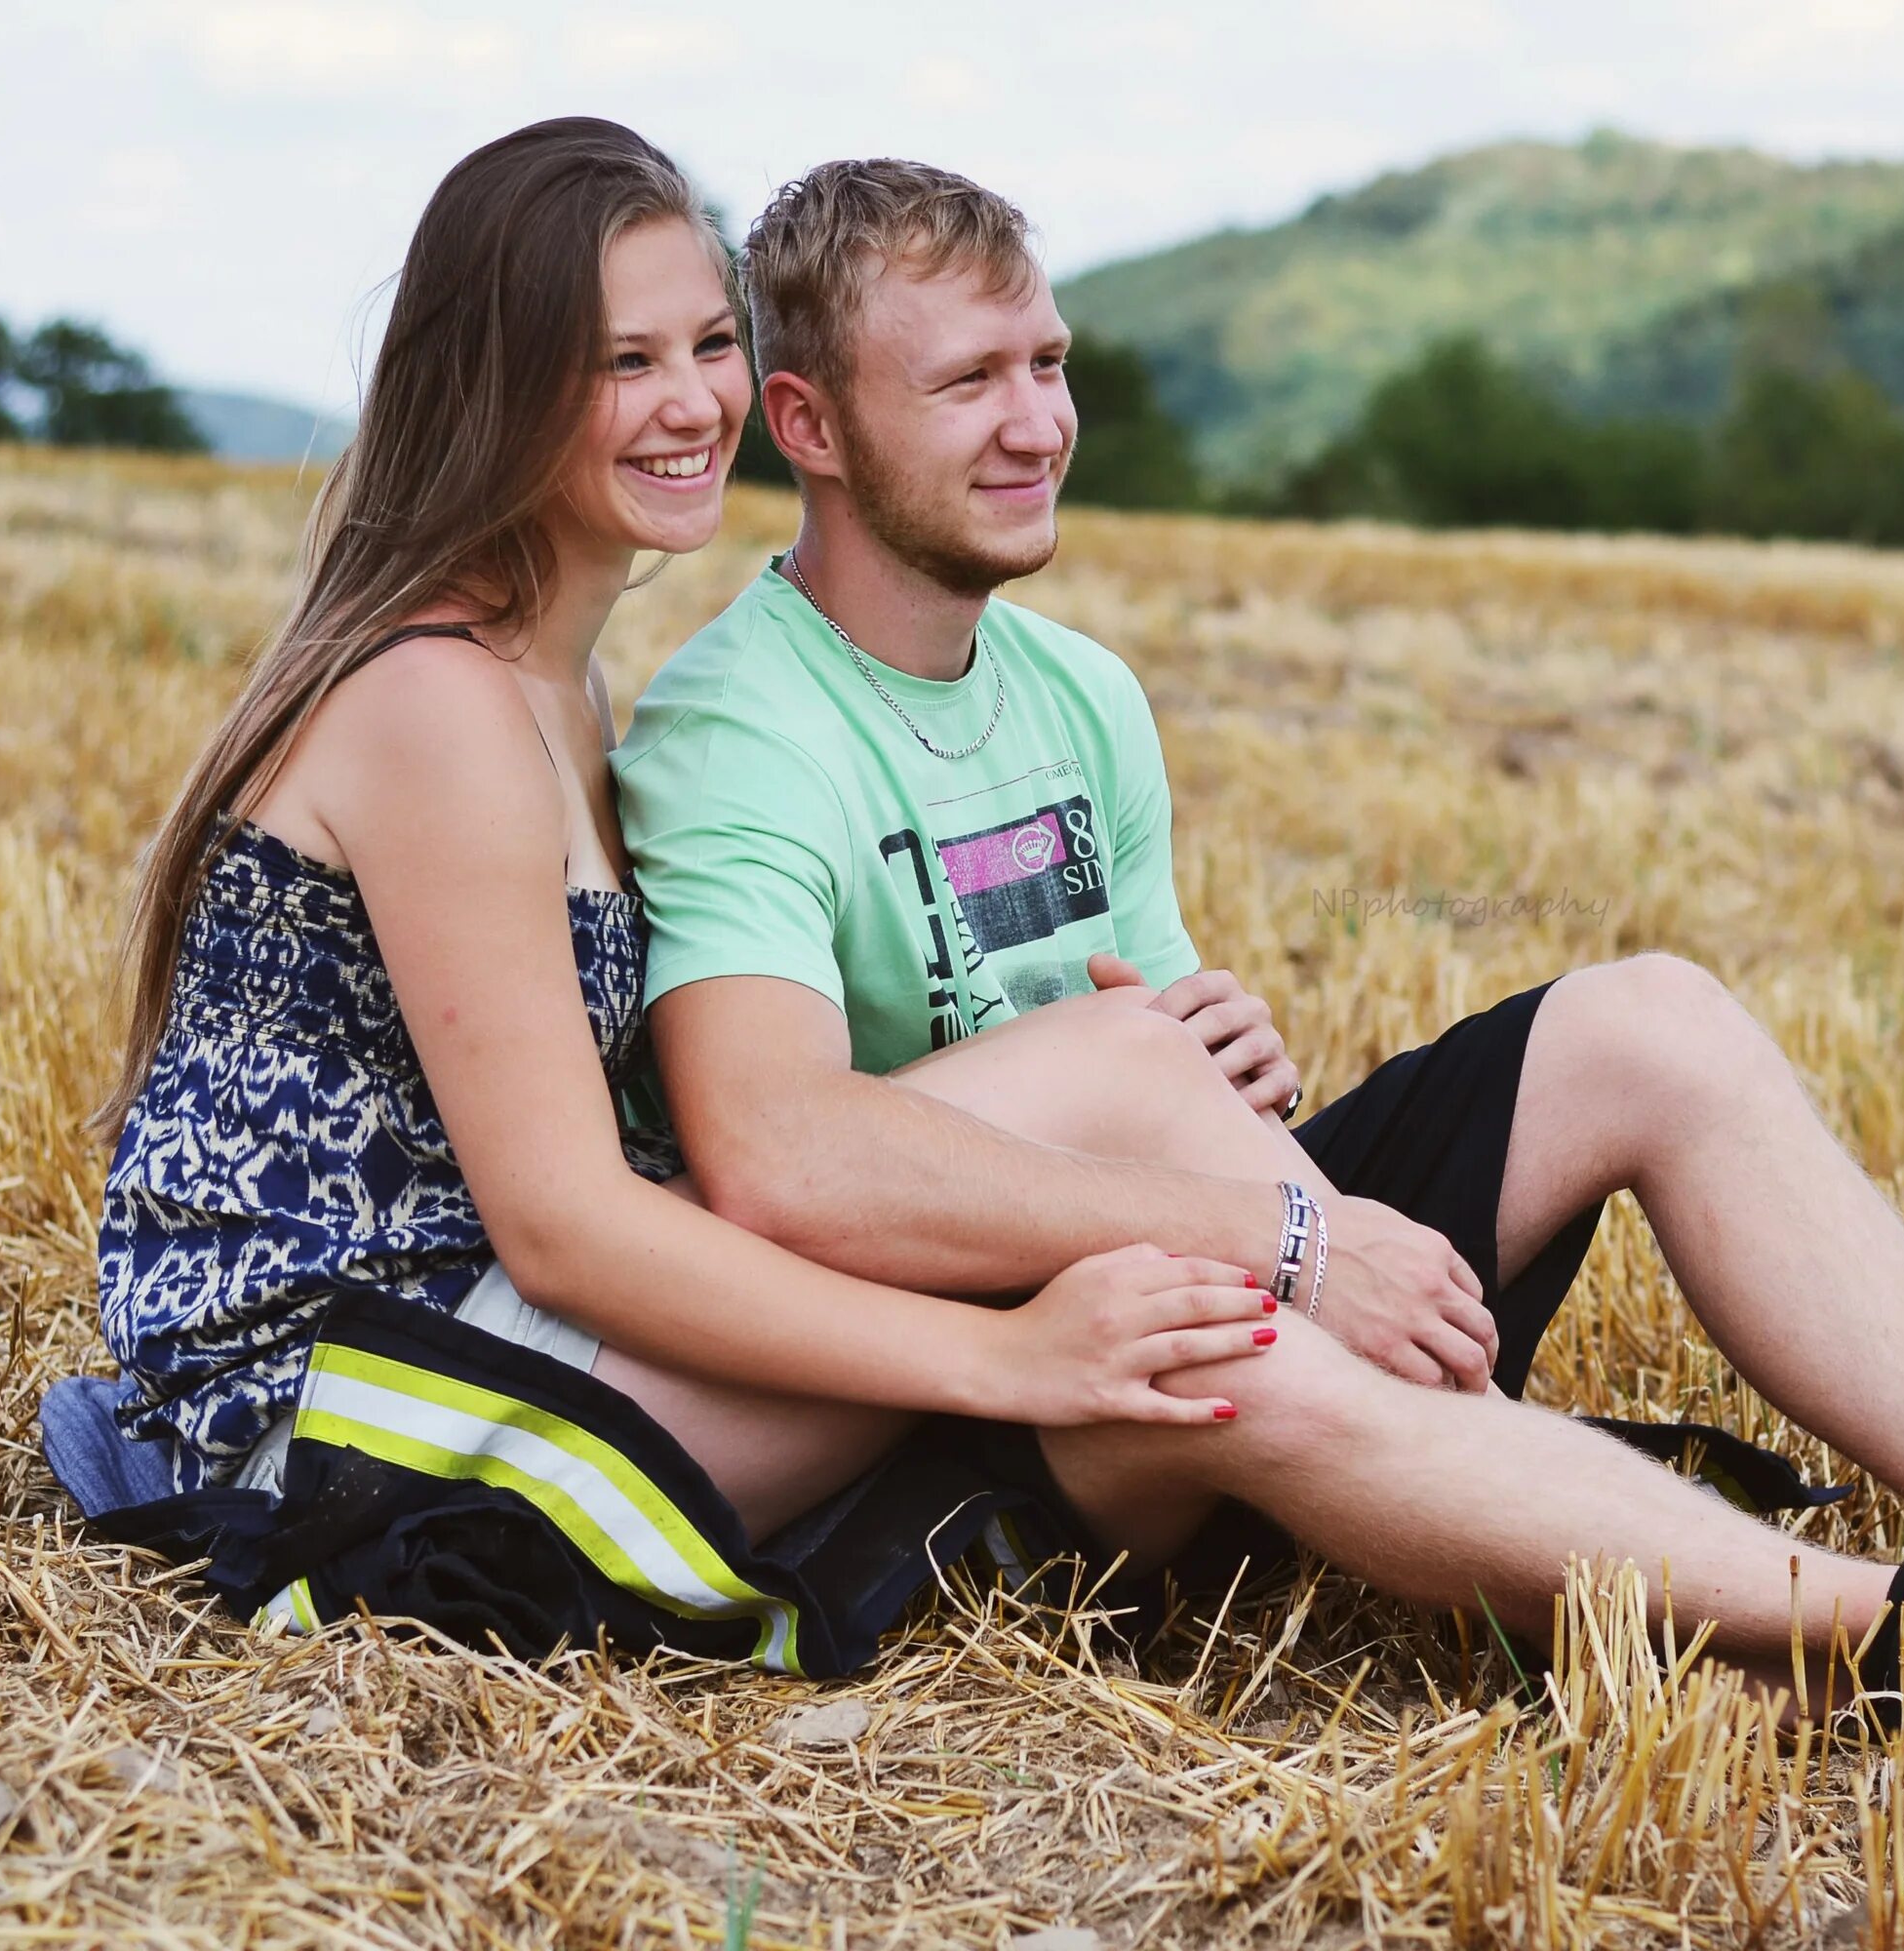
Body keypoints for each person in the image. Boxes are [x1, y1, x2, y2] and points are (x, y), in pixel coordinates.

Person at [606, 158, 1904, 1762]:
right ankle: (1838, 1628)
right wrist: (1268, 1228)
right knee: (1265, 1256)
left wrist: (1224, 1056)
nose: (1039, 422)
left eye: (1051, 362)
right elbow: (782, 1164)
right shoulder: (739, 731)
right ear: (812, 427)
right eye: (970, 384)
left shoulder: (1078, 693)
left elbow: (1139, 1039)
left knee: (1651, 1022)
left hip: (1191, 1237)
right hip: (1005, 1381)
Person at [69, 119, 1287, 1680]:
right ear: (494, 384)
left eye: (709, 342)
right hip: (322, 1423)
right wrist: (1000, 1357)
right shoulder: (436, 704)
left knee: (1006, 1188)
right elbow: (570, 1232)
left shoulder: (557, 683)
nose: (695, 401)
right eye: (620, 362)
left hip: (473, 1328)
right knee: (1017, 1257)